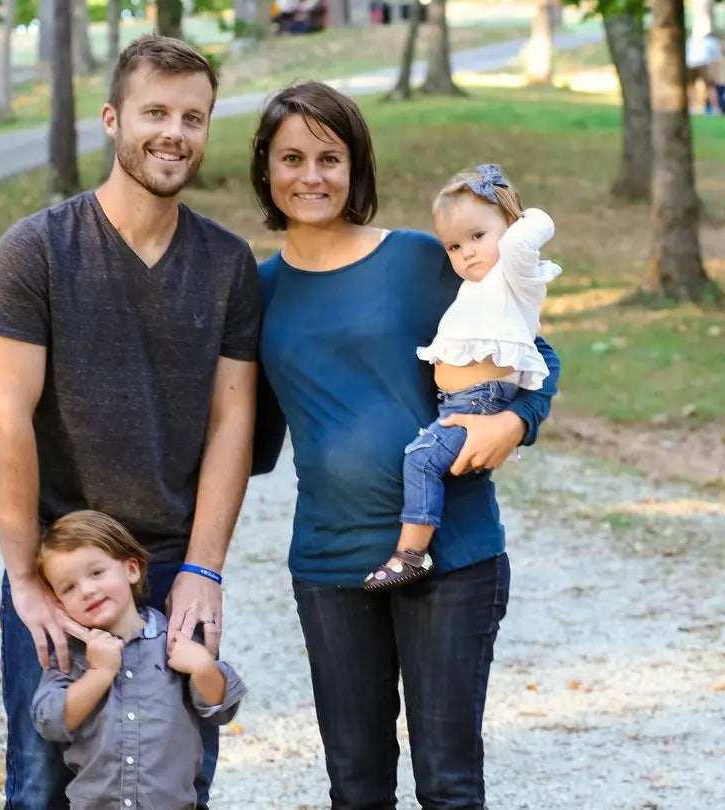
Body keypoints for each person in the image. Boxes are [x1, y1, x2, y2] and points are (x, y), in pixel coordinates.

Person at [250, 81, 560, 809]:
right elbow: (247, 433)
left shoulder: (421, 260)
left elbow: (532, 353)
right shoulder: (255, 290)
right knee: (356, 787)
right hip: (329, 564)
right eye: (292, 157)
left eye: (331, 157)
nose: (312, 176)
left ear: (356, 166)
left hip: (452, 559)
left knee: (448, 786)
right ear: (267, 169)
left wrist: (515, 423)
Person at [0, 35, 261, 810]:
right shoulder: (35, 250)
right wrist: (27, 579)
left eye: (193, 117)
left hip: (170, 569)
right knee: (41, 784)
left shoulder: (228, 263)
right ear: (112, 119)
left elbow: (233, 420)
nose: (175, 133)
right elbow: (7, 423)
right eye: (156, 112)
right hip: (64, 571)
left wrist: (204, 569)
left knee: (175, 783)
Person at [363, 164, 562, 589]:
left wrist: (512, 211)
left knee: (420, 460)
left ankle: (411, 554)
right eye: (453, 246)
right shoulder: (475, 286)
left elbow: (537, 226)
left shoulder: (515, 274)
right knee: (424, 458)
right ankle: (411, 551)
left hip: (480, 401)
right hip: (458, 404)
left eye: (477, 237)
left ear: (509, 231)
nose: (466, 253)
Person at [31, 511, 247, 810]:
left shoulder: (173, 641)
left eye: (96, 573)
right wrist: (99, 673)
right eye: (69, 587)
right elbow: (49, 722)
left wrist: (202, 667)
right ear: (58, 602)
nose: (87, 590)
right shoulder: (73, 658)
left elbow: (223, 709)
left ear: (131, 569)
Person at [686, 26, 723, 115]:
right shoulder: (711, 41)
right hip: (703, 64)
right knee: (709, 87)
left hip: (692, 64)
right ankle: (715, 107)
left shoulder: (690, 40)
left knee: (691, 87)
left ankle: (691, 106)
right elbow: (716, 58)